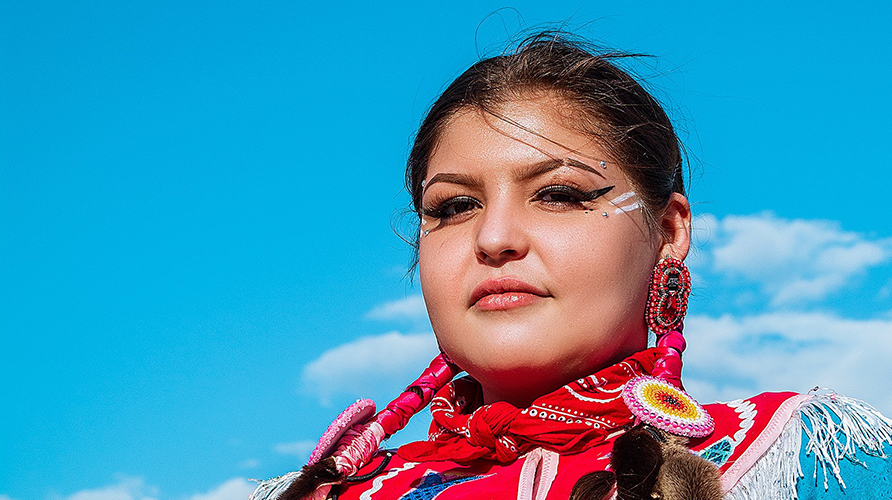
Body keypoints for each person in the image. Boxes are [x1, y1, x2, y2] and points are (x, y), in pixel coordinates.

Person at [252, 32, 892, 500]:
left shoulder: (806, 463)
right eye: (453, 206)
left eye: (559, 194)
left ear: (668, 232)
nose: (494, 237)